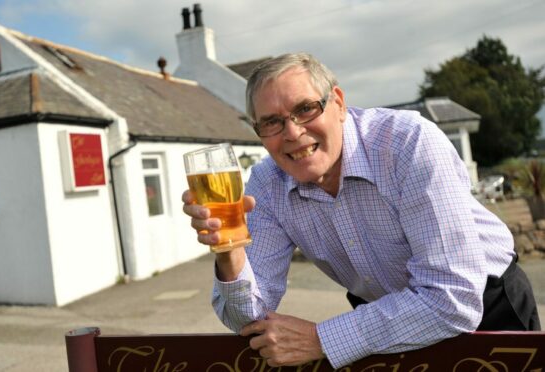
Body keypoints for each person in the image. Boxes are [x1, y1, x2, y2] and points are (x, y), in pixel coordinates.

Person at [182, 52, 540, 369]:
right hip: (384, 321)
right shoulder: (265, 184)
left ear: (338, 103)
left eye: (305, 108)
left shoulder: (408, 142)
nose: (292, 131)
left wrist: (321, 340)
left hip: (488, 305)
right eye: (271, 122)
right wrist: (230, 253)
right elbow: (247, 318)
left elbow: (452, 300)